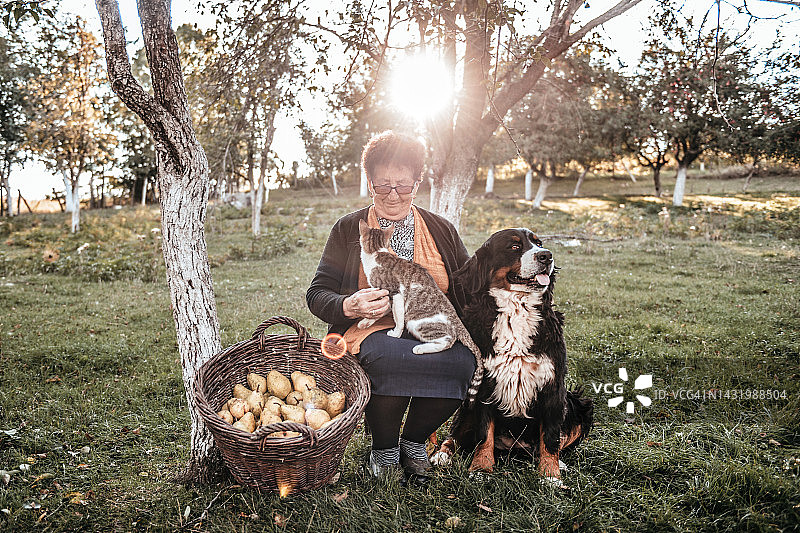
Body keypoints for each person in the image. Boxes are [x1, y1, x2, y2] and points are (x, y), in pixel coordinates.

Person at [306, 130, 476, 485]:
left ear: (418, 182)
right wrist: (349, 305)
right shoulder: (347, 229)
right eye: (383, 185)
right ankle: (383, 449)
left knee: (463, 362)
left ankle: (413, 440)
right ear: (369, 183)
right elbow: (318, 294)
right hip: (370, 329)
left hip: (430, 322)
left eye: (403, 184)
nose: (394, 194)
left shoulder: (441, 230)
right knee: (389, 355)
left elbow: (467, 288)